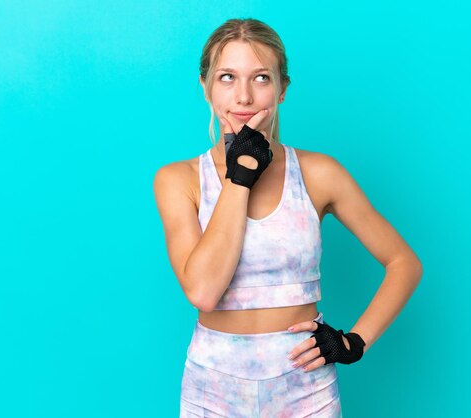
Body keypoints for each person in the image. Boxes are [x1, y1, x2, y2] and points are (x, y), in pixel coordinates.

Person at [153, 18, 423, 417]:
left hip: (305, 390)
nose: (243, 96)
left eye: (261, 78)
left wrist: (355, 341)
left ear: (282, 90)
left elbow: (404, 263)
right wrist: (241, 174)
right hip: (213, 390)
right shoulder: (179, 180)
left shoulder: (319, 173)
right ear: (206, 87)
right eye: (227, 77)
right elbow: (204, 292)